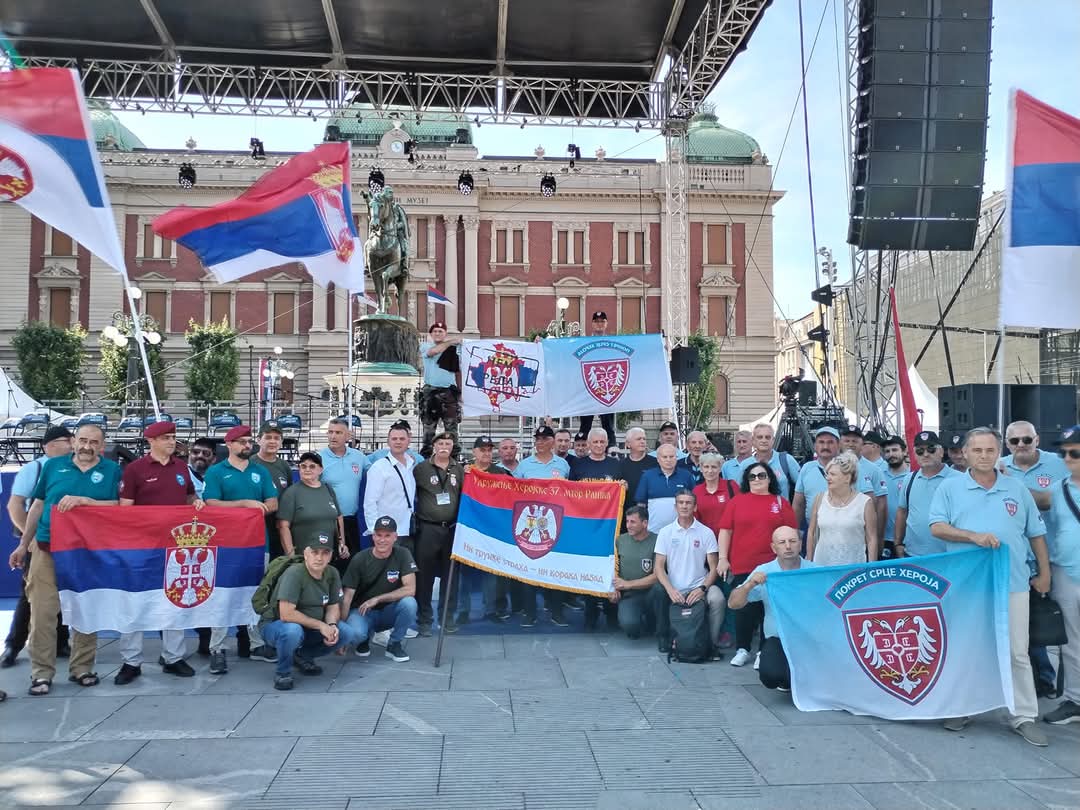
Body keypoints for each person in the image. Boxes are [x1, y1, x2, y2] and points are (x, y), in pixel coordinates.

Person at [929, 427, 1051, 746]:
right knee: (967, 647)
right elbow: (937, 527)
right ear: (965, 453)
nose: (984, 456)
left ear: (999, 453)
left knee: (1017, 651)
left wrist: (1045, 572)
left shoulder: (1016, 488)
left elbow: (1036, 533)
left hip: (1013, 581)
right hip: (967, 585)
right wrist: (972, 536)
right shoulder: (950, 488)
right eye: (977, 450)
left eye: (990, 450)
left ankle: (1023, 715)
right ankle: (963, 707)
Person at [8, 424, 122, 696]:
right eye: (82, 440)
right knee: (42, 612)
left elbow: (118, 506)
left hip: (88, 551)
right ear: (73, 441)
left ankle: (82, 668)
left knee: (86, 610)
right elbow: (37, 505)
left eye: (93, 442)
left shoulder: (112, 470)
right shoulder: (52, 466)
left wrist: (85, 501)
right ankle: (41, 673)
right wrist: (24, 544)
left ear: (101, 446)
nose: (87, 446)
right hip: (47, 547)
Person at [114, 421, 203, 685]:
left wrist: (196, 502)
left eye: (173, 437)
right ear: (151, 441)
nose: (172, 442)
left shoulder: (181, 468)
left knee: (173, 598)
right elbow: (125, 508)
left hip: (175, 545)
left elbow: (189, 497)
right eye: (166, 438)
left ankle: (173, 657)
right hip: (141, 546)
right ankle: (131, 661)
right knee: (135, 601)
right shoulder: (135, 469)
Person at [202, 424, 280, 673]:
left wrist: (260, 508)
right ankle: (217, 648)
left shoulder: (260, 470)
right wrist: (244, 504)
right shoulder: (216, 471)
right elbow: (211, 502)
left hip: (257, 542)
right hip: (225, 543)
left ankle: (256, 644)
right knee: (222, 595)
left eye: (249, 442)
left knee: (255, 593)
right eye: (242, 442)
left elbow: (272, 502)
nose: (247, 446)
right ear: (229, 444)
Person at [1003, 420, 1067, 697]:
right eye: (1014, 441)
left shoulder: (1059, 464)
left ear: (1037, 440)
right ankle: (1039, 681)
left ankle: (1063, 686)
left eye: (1026, 440)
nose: (1021, 445)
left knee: (1059, 624)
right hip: (1016, 560)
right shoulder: (998, 465)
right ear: (1007, 444)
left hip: (1054, 557)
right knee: (1025, 625)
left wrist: (1011, 485)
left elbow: (1050, 501)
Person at [2, 426, 72, 670]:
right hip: (39, 540)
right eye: (66, 440)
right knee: (30, 594)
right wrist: (28, 537)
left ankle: (60, 642)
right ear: (49, 445)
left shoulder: (74, 467)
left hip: (67, 541)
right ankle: (13, 645)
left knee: (63, 591)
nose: (71, 444)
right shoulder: (35, 468)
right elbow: (15, 505)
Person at [717, 462, 798, 668]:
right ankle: (743, 649)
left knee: (767, 610)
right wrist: (723, 558)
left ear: (769, 478)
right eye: (752, 476)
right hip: (743, 563)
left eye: (761, 475)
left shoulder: (780, 502)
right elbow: (725, 531)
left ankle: (763, 650)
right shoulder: (736, 502)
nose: (756, 479)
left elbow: (792, 533)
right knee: (744, 607)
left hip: (773, 565)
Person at [259, 534, 356, 691]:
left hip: (310, 627)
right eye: (315, 552)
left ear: (331, 555)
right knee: (292, 631)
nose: (319, 558)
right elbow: (286, 614)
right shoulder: (294, 573)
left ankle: (302, 656)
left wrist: (331, 625)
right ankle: (283, 672)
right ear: (305, 553)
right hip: (277, 625)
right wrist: (321, 626)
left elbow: (333, 606)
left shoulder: (332, 573)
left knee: (346, 632)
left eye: (325, 553)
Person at [727, 526, 816, 692]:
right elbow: (733, 604)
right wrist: (750, 584)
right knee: (771, 676)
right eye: (782, 542)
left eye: (792, 541)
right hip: (778, 638)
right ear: (774, 548)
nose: (788, 546)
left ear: (800, 544)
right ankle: (789, 679)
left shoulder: (815, 572)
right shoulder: (764, 571)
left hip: (809, 639)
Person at [653, 491, 726, 657]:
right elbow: (658, 567)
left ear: (695, 507)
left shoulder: (706, 532)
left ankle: (710, 643)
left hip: (699, 585)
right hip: (674, 587)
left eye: (688, 503)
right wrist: (670, 590)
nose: (684, 506)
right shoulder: (665, 532)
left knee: (718, 599)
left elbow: (713, 567)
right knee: (658, 591)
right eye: (681, 502)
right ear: (675, 506)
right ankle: (664, 637)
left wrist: (702, 588)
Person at [515, 425, 571, 627]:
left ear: (552, 441)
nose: (539, 442)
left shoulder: (563, 465)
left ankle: (556, 611)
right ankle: (530, 613)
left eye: (544, 439)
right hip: (530, 523)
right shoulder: (524, 465)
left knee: (555, 568)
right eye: (537, 439)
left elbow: (569, 493)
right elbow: (513, 492)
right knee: (529, 567)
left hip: (553, 521)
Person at [342, 516, 419, 663]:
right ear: (373, 536)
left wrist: (377, 599)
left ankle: (394, 644)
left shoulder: (403, 554)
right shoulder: (360, 558)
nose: (382, 540)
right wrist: (342, 633)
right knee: (356, 634)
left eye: (387, 535)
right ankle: (364, 638)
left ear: (395, 537)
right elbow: (347, 597)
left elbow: (410, 589)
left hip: (388, 611)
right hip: (363, 611)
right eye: (378, 535)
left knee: (409, 603)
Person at [1043, 426, 1080, 725]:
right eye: (1063, 453)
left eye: (1074, 453)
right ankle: (1075, 700)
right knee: (1071, 642)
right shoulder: (1058, 489)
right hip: (1066, 573)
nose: (1067, 458)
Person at [413, 432, 464, 636]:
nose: (444, 446)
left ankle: (446, 618)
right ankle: (424, 619)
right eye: (440, 443)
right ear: (434, 446)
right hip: (428, 528)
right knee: (424, 576)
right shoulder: (421, 469)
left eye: (448, 443)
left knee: (450, 576)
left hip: (451, 529)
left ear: (452, 446)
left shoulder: (458, 469)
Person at [460, 436, 514, 621]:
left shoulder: (501, 473)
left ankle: (491, 610)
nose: (486, 453)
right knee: (465, 573)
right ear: (474, 451)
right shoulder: (464, 472)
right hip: (469, 528)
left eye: (489, 450)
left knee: (491, 572)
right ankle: (463, 611)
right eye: (482, 449)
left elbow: (513, 495)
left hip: (491, 529)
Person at [793, 427, 881, 529]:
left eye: (830, 442)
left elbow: (870, 502)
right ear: (815, 446)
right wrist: (795, 530)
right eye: (821, 442)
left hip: (846, 532)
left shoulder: (851, 468)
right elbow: (798, 504)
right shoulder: (807, 468)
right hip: (814, 531)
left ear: (839, 445)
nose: (825, 446)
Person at [894, 431, 960, 558]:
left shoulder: (959, 479)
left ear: (941, 452)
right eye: (920, 451)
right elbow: (902, 511)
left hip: (948, 556)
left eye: (931, 449)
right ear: (914, 454)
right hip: (912, 555)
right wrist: (898, 543)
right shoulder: (909, 479)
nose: (925, 454)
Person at [807, 452, 878, 565]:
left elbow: (872, 538)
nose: (828, 478)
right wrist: (809, 563)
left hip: (853, 566)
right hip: (822, 565)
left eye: (833, 474)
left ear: (847, 478)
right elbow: (811, 533)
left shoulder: (865, 502)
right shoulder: (819, 499)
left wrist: (871, 566)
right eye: (827, 474)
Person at [363, 422, 417, 558]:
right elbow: (370, 502)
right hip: (387, 532)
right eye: (394, 439)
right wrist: (375, 532)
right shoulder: (379, 467)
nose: (398, 442)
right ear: (388, 441)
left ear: (408, 440)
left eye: (402, 439)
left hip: (408, 529)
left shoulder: (411, 464)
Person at [320, 417, 367, 570]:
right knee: (328, 565)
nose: (333, 436)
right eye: (330, 432)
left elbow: (378, 468)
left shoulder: (358, 457)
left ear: (348, 436)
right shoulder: (319, 458)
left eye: (338, 433)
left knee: (352, 565)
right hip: (328, 521)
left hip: (351, 520)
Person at [277, 452, 346, 556]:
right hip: (303, 557)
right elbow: (283, 526)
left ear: (321, 470)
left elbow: (338, 518)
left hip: (328, 555)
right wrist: (291, 556)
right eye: (303, 466)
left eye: (312, 466)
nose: (307, 469)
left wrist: (342, 543)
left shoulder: (328, 489)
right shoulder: (291, 493)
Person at [607, 506, 658, 638]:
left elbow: (658, 576)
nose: (628, 526)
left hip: (652, 593)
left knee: (660, 590)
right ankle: (638, 623)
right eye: (627, 521)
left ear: (645, 523)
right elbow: (610, 567)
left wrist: (628, 584)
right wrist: (612, 588)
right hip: (629, 595)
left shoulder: (658, 541)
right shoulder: (620, 541)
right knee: (630, 627)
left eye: (633, 522)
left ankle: (655, 624)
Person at [251, 421, 293, 559]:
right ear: (258, 440)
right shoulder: (250, 464)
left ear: (281, 442)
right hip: (256, 524)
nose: (272, 441)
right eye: (268, 437)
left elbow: (288, 495)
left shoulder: (284, 466)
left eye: (276, 438)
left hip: (279, 526)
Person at [419, 322, 462, 456]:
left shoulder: (454, 349)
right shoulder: (426, 346)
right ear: (431, 334)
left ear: (445, 334)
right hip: (431, 392)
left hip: (449, 392)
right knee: (429, 428)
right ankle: (426, 458)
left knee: (452, 428)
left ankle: (453, 458)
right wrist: (451, 342)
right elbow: (433, 352)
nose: (437, 333)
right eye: (435, 331)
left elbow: (460, 369)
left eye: (440, 331)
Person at [839, 426, 888, 543]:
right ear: (840, 443)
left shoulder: (874, 470)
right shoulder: (833, 466)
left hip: (864, 534)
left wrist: (878, 537)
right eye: (847, 441)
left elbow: (881, 505)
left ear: (862, 444)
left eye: (855, 441)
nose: (851, 444)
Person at [577, 310, 617, 447]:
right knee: (585, 425)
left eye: (602, 321)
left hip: (607, 387)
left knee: (608, 424)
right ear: (592, 324)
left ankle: (612, 450)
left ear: (606, 324)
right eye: (597, 321)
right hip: (589, 387)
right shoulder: (583, 342)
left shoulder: (613, 343)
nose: (599, 324)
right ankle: (581, 450)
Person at [634, 444, 695, 532]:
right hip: (654, 531)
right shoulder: (647, 476)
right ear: (658, 459)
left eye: (671, 456)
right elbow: (641, 504)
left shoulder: (686, 476)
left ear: (676, 458)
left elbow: (694, 502)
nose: (668, 460)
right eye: (665, 457)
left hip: (682, 530)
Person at [739, 424, 801, 500]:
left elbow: (801, 487)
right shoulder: (745, 465)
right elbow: (741, 492)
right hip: (753, 507)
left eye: (767, 437)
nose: (764, 440)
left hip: (781, 506)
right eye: (760, 437)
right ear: (753, 440)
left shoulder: (786, 460)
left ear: (773, 440)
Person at [693, 453, 739, 538]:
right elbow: (695, 518)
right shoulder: (697, 491)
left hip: (730, 538)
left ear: (720, 468)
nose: (710, 471)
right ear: (701, 469)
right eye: (706, 467)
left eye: (714, 467)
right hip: (706, 540)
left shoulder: (731, 486)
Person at [619, 427, 658, 523]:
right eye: (638, 439)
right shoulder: (620, 465)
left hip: (650, 516)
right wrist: (621, 487)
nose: (642, 441)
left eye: (644, 439)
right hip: (627, 517)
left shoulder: (655, 463)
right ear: (628, 444)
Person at [880, 435, 910, 559]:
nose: (891, 454)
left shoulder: (913, 476)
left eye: (894, 450)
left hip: (907, 539)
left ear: (904, 451)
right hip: (884, 538)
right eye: (887, 451)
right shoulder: (879, 475)